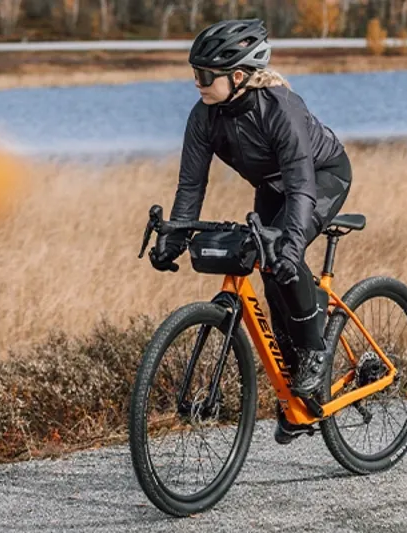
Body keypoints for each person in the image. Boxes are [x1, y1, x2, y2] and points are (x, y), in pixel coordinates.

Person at [149, 18, 353, 443]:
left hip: (320, 178)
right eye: (194, 73)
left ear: (238, 76)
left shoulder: (281, 109)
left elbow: (301, 188)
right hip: (272, 187)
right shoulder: (204, 116)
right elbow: (191, 185)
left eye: (205, 75)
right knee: (268, 266)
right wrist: (173, 237)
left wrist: (291, 244)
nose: (197, 83)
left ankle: (315, 353)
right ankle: (298, 400)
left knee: (284, 259)